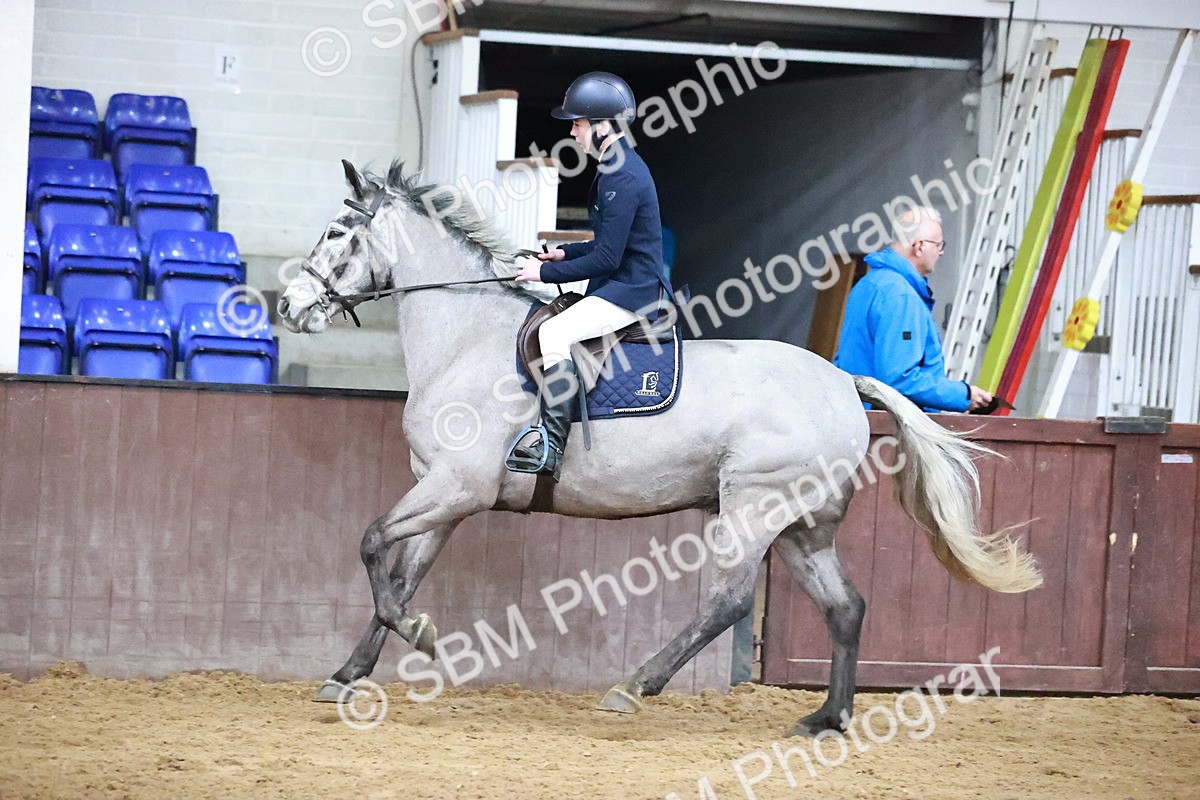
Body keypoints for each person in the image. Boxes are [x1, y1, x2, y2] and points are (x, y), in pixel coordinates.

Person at [511, 71, 673, 480]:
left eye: (579, 124)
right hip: (621, 279)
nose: (573, 132)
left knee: (553, 334)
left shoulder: (622, 176)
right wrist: (563, 252)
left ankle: (550, 446)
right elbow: (604, 242)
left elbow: (606, 257)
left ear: (604, 126)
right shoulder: (614, 167)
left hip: (631, 291)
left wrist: (544, 272)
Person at [834, 207, 992, 413]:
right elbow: (899, 378)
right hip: (886, 427)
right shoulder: (900, 296)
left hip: (856, 415)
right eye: (939, 244)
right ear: (919, 246)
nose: (941, 251)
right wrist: (964, 394)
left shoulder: (870, 284)